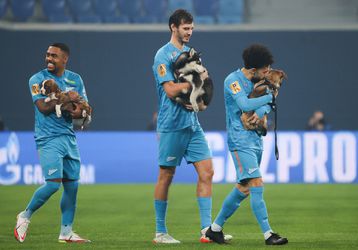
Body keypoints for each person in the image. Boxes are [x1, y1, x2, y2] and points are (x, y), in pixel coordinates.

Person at [151, 9, 231, 244]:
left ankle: (207, 231)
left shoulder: (191, 54)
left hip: (192, 124)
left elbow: (203, 89)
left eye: (192, 28)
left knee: (208, 172)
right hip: (171, 124)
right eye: (186, 28)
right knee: (166, 175)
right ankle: (160, 232)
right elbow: (169, 90)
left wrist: (201, 92)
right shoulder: (162, 55)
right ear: (173, 27)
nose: (189, 32)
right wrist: (194, 81)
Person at [205, 44, 288, 245]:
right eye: (264, 70)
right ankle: (269, 234)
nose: (267, 74)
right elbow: (244, 104)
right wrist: (271, 97)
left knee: (244, 188)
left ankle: (214, 229)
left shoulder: (261, 82)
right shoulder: (233, 81)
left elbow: (265, 108)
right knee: (257, 184)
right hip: (239, 140)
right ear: (252, 70)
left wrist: (262, 110)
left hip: (256, 140)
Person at [14, 43, 90, 243]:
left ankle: (66, 232)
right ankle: (25, 216)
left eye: (54, 56)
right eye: (47, 55)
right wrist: (65, 97)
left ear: (64, 59)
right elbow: (42, 107)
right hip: (48, 138)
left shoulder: (76, 79)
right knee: (53, 185)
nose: (49, 58)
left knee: (72, 187)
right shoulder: (37, 79)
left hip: (68, 137)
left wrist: (79, 112)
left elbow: (83, 108)